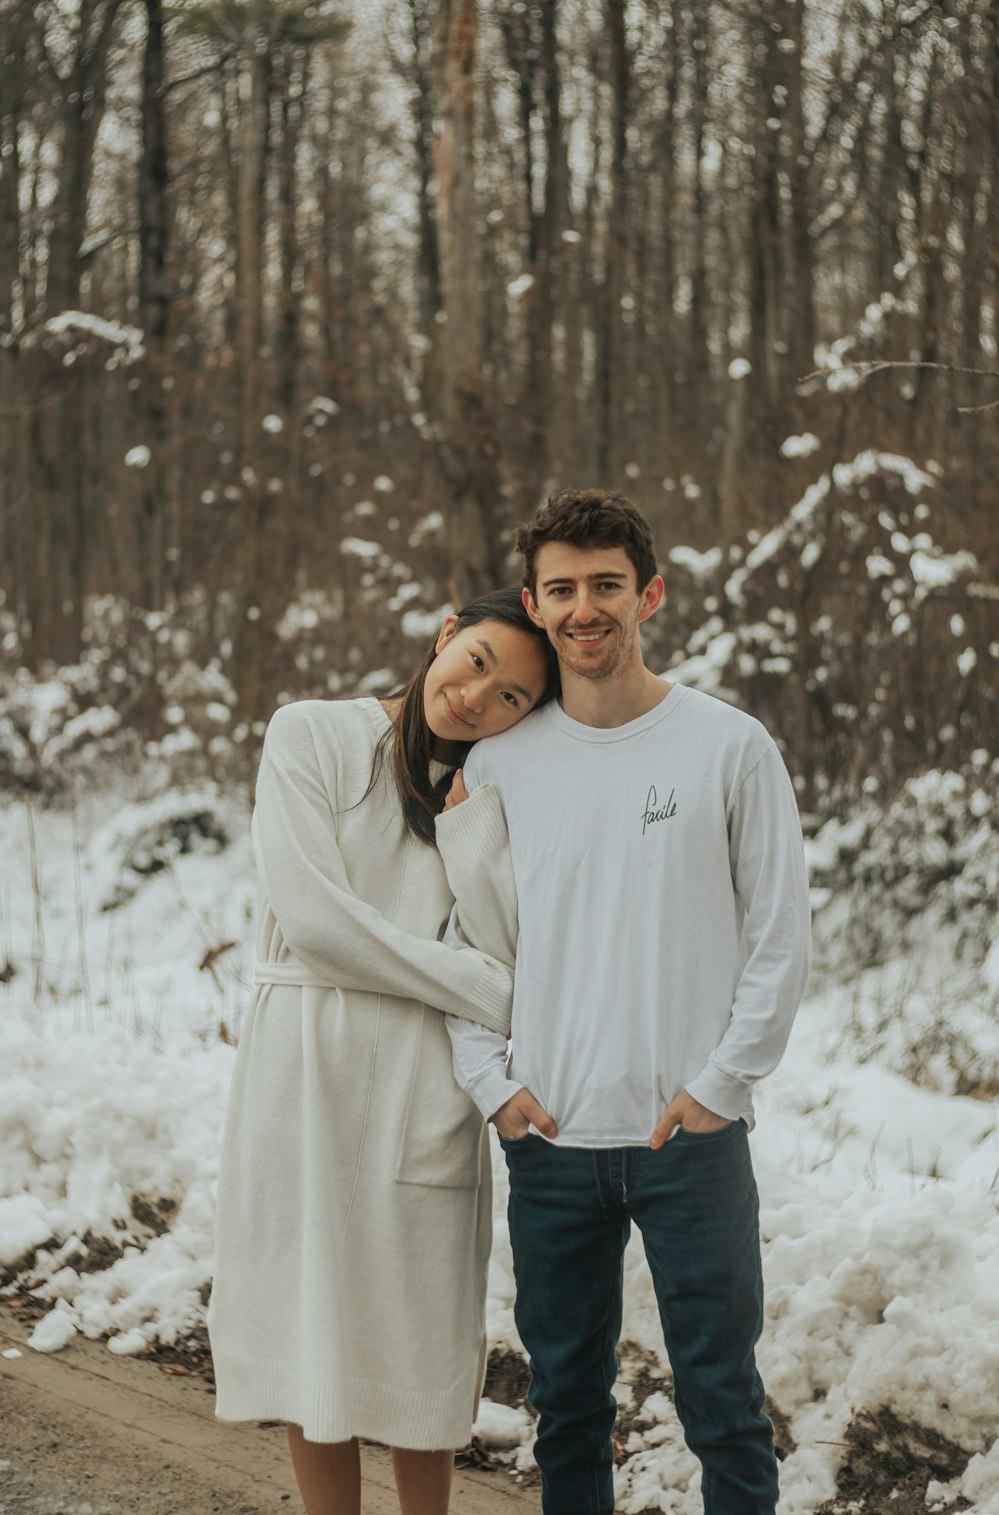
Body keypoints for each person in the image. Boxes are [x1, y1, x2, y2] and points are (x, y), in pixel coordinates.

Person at [436, 490, 812, 1515]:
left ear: (649, 593)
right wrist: (493, 1085)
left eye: (606, 585)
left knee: (723, 1401)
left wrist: (721, 1087)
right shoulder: (501, 764)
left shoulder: (728, 747)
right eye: (561, 589)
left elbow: (781, 936)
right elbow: (469, 946)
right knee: (565, 1406)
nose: (583, 608)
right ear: (533, 601)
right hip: (549, 1138)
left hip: (687, 1137)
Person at [208, 587, 559, 1515]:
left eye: (515, 696)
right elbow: (318, 925)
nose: (481, 696)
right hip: (305, 1065)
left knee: (418, 1333)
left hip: (422, 1075)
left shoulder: (490, 791)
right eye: (478, 660)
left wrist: (472, 821)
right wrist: (473, 984)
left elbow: (505, 945)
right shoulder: (312, 734)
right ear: (446, 633)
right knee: (311, 1320)